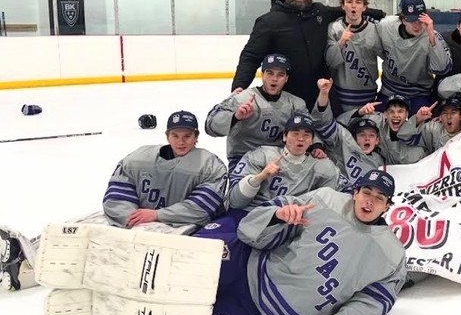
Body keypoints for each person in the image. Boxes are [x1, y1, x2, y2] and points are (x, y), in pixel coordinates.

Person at [1, 111, 227, 292]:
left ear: (196, 137)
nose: (181, 142)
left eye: (187, 136)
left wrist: (156, 215)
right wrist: (127, 216)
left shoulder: (210, 165)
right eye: (175, 135)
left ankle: (28, 272)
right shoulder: (140, 157)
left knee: (108, 248)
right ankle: (24, 251)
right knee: (77, 228)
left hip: (177, 225)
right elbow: (117, 193)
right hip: (135, 218)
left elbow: (201, 209)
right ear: (167, 136)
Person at [208, 171, 406, 315]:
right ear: (355, 193)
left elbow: (378, 297)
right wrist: (279, 215)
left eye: (379, 198)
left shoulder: (392, 254)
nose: (370, 201)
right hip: (250, 269)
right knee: (195, 270)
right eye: (366, 192)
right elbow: (257, 219)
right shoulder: (326, 199)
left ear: (387, 206)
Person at [232, 0, 362, 109]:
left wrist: (375, 14)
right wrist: (239, 85)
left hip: (321, 92)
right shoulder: (269, 21)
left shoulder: (320, 12)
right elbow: (251, 56)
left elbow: (350, 10)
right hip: (286, 97)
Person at [207, 53, 333, 171]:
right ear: (262, 75)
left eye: (280, 75)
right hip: (242, 157)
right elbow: (210, 126)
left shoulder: (295, 104)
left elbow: (308, 128)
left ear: (286, 79)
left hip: (279, 158)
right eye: (270, 73)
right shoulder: (242, 98)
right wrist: (236, 116)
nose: (274, 79)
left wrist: (316, 146)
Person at [226, 114, 346, 212]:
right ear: (284, 136)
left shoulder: (322, 166)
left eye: (306, 135)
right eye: (295, 133)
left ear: (311, 141)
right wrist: (260, 177)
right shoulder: (262, 155)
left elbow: (329, 205)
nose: (301, 138)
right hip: (251, 213)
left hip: (292, 220)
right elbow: (235, 202)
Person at [376, 0, 452, 113]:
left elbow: (442, 69)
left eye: (420, 20)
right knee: (376, 120)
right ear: (402, 20)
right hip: (389, 91)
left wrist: (432, 37)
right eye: (411, 20)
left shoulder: (433, 36)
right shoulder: (386, 26)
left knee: (421, 121)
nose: (416, 25)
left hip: (418, 94)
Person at [325, 0, 382, 111]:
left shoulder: (375, 30)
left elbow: (387, 57)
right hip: (341, 95)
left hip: (368, 94)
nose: (353, 6)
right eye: (349, 2)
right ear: (342, 5)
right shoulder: (334, 28)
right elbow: (330, 62)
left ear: (364, 7)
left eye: (358, 2)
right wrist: (341, 42)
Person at [397, 96, 461, 154]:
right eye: (445, 113)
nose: (448, 117)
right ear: (440, 117)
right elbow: (404, 137)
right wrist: (417, 119)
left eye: (453, 113)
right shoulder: (433, 129)